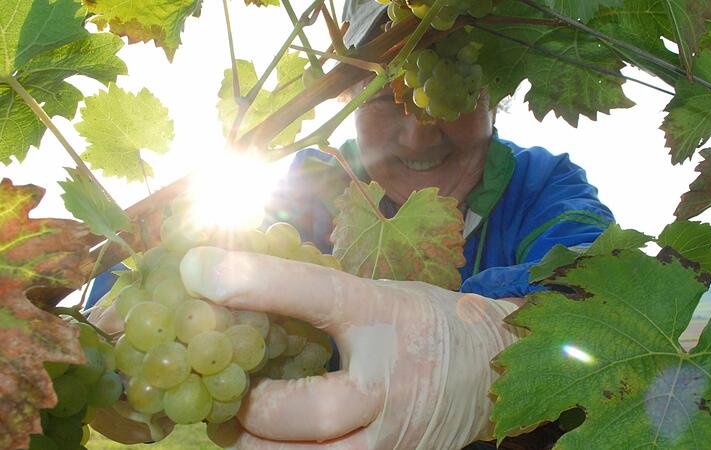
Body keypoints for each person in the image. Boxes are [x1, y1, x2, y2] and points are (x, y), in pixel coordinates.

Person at [89, 1, 614, 448]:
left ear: (492, 94)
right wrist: (115, 332)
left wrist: (494, 338)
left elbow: (609, 279)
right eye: (386, 94)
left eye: (452, 93)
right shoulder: (309, 188)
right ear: (347, 98)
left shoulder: (544, 186)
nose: (419, 136)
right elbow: (202, 251)